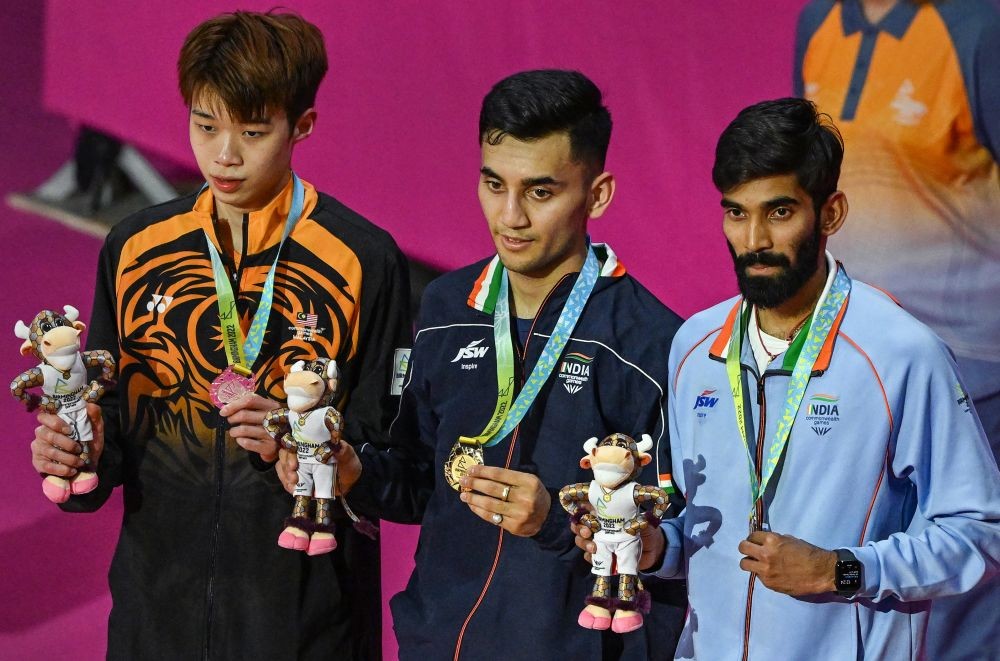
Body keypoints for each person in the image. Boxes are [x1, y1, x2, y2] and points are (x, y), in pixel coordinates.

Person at [28, 11, 411, 660]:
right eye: (205, 126)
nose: (224, 155)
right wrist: (80, 454)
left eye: (253, 131)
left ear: (302, 127)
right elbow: (118, 422)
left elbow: (398, 461)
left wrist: (325, 457)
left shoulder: (363, 260)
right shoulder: (134, 247)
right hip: (156, 618)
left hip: (305, 625)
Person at [577, 98, 1000, 659]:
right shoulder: (694, 348)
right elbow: (696, 525)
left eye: (779, 212)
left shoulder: (901, 353)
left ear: (830, 214)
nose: (754, 240)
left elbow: (979, 533)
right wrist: (654, 546)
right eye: (736, 212)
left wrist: (838, 570)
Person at [285, 69, 687, 660]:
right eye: (494, 185)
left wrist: (556, 518)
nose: (510, 216)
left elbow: (669, 540)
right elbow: (420, 480)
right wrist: (353, 471)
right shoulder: (446, 308)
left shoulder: (651, 343)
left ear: (597, 194)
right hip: (437, 641)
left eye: (540, 192)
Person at [794, 4, 1000, 656]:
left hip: (971, 368)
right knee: (857, 580)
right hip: (847, 363)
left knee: (957, 601)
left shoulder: (980, 26)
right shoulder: (817, 22)